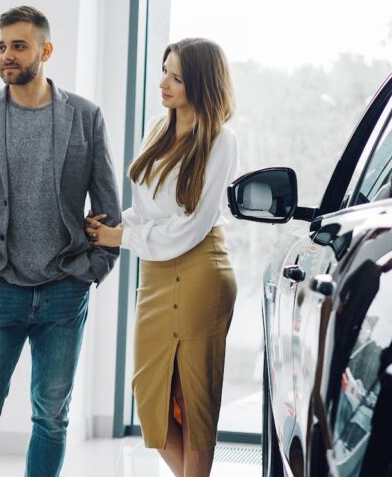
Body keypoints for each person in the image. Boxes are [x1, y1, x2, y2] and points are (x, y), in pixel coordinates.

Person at [0, 5, 121, 477]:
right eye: (1, 46)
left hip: (65, 289)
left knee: (52, 418)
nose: (7, 56)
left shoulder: (84, 117)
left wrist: (94, 268)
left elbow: (108, 204)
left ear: (46, 50)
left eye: (18, 46)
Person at [86, 38, 238, 477]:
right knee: (149, 392)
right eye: (164, 71)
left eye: (176, 77)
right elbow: (151, 209)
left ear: (203, 84)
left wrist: (122, 237)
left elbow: (192, 225)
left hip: (200, 272)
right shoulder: (158, 127)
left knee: (194, 400)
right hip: (155, 273)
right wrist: (113, 228)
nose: (163, 83)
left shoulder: (220, 141)